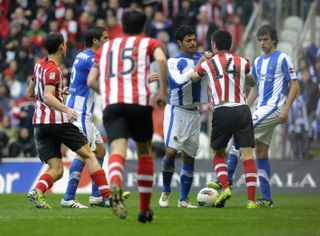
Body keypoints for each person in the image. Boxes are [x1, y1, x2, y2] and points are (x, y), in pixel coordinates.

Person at [87, 9, 167, 222]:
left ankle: (115, 183)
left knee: (117, 150)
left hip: (113, 105)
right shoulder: (148, 43)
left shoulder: (107, 48)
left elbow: (91, 81)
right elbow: (162, 60)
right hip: (139, 103)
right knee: (144, 152)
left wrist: (108, 92)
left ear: (122, 26)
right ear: (143, 27)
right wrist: (162, 93)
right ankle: (144, 209)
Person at [209, 25, 300, 207]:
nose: (262, 43)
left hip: (274, 108)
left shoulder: (283, 58)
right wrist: (244, 104)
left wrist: (286, 108)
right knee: (261, 152)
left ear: (274, 40)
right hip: (261, 108)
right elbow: (255, 87)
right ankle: (266, 199)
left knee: (239, 136)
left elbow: (295, 85)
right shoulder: (258, 61)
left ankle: (226, 180)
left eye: (266, 39)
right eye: (260, 39)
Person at [26, 32, 111, 209]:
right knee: (88, 154)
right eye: (64, 44)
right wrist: (66, 109)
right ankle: (107, 196)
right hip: (56, 122)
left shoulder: (39, 66)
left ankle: (37, 191)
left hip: (39, 124)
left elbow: (31, 93)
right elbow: (48, 97)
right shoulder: (54, 70)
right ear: (61, 47)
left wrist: (59, 93)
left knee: (57, 169)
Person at [61, 26, 130, 208]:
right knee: (84, 154)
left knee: (100, 150)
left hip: (81, 109)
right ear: (95, 41)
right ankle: (68, 197)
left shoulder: (81, 55)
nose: (107, 41)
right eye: (105, 38)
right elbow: (109, 76)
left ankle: (96, 196)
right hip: (80, 111)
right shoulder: (92, 59)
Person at [192, 30, 259, 208]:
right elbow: (252, 82)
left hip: (222, 110)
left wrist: (201, 61)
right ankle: (251, 201)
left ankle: (225, 186)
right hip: (243, 109)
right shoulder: (243, 61)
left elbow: (193, 77)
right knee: (247, 155)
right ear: (229, 45)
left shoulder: (208, 63)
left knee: (218, 153)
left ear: (214, 45)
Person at [158, 25, 209, 209]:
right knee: (171, 152)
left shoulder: (202, 57)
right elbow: (178, 82)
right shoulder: (174, 61)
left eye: (194, 39)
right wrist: (199, 66)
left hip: (194, 113)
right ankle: (165, 191)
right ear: (180, 43)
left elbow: (218, 60)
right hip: (176, 111)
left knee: (188, 158)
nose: (193, 43)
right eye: (188, 40)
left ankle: (184, 199)